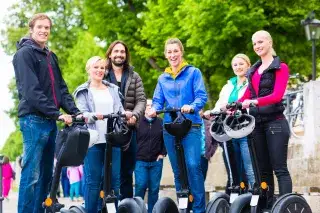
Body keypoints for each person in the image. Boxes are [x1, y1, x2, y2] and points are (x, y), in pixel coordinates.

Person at [13, 13, 80, 213]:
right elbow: (31, 91)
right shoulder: (24, 54)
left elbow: (61, 88)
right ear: (31, 29)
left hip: (50, 121)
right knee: (31, 175)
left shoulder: (51, 56)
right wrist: (57, 113)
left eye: (47, 28)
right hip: (33, 121)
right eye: (40, 27)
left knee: (47, 175)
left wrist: (76, 112)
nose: (43, 31)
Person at [148, 38, 208, 213]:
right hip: (170, 126)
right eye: (169, 52)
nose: (173, 55)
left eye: (176, 51)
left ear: (181, 52)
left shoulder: (193, 72)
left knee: (192, 165)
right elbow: (158, 100)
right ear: (165, 55)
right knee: (178, 170)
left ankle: (198, 209)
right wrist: (154, 110)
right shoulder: (162, 78)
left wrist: (192, 106)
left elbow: (201, 96)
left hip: (191, 125)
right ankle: (184, 206)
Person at [238, 30, 291, 209]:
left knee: (280, 169)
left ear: (270, 42)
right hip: (257, 125)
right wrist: (229, 107)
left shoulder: (280, 67)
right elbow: (246, 95)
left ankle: (285, 207)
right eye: (254, 44)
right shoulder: (253, 70)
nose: (257, 46)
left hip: (275, 122)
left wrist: (254, 102)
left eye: (260, 42)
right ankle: (268, 207)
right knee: (264, 171)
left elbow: (277, 95)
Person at [74, 56, 131, 212]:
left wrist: (125, 113)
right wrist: (92, 115)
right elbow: (81, 113)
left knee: (114, 181)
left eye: (102, 68)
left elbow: (119, 109)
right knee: (94, 181)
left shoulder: (113, 89)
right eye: (96, 67)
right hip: (93, 140)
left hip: (113, 139)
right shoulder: (83, 91)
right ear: (89, 69)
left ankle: (111, 210)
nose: (99, 71)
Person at [204, 53, 255, 188]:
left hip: (245, 128)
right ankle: (236, 197)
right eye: (235, 65)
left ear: (248, 65)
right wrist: (211, 112)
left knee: (249, 167)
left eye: (241, 64)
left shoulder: (252, 83)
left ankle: (256, 198)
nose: (238, 67)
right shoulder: (228, 85)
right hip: (229, 129)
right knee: (233, 169)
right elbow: (220, 103)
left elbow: (253, 103)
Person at [104, 40, 146, 200]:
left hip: (130, 130)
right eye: (116, 51)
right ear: (110, 54)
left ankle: (126, 206)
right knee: (109, 171)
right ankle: (107, 206)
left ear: (126, 55)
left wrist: (135, 116)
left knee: (127, 172)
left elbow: (141, 100)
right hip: (109, 130)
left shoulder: (134, 76)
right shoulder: (103, 74)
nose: (119, 54)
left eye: (122, 52)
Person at [134, 99, 167, 213]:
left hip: (156, 161)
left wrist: (163, 153)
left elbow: (166, 139)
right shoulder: (137, 122)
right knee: (140, 186)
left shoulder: (161, 122)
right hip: (140, 160)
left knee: (154, 189)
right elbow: (132, 140)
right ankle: (137, 210)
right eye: (146, 105)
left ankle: (153, 211)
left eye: (151, 105)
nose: (149, 107)